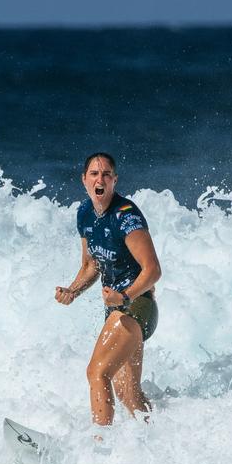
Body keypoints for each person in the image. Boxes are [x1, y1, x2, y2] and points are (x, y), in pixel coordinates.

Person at [55, 152, 161, 427]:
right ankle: (156, 441)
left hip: (137, 307)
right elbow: (91, 264)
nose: (99, 179)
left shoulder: (126, 216)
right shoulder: (85, 213)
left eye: (105, 175)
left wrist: (124, 296)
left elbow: (153, 271)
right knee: (128, 394)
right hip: (115, 309)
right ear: (84, 180)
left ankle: (100, 447)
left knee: (97, 372)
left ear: (114, 180)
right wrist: (73, 290)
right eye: (93, 174)